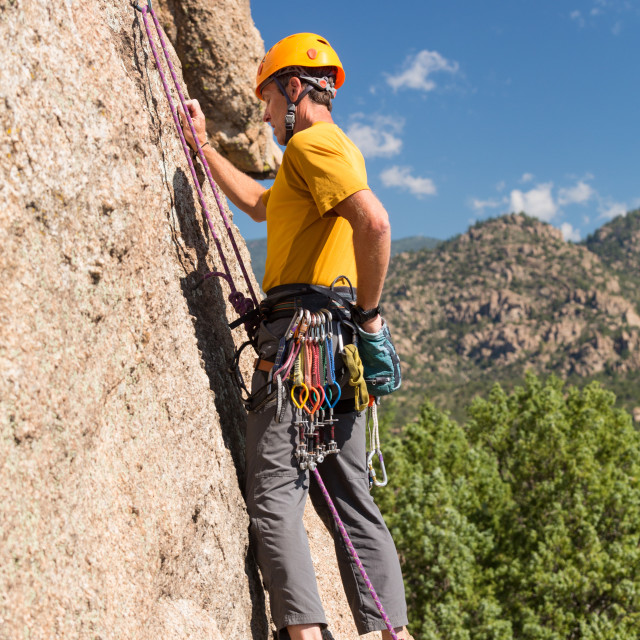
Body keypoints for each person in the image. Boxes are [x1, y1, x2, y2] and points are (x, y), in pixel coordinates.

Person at [180, 33, 411, 640]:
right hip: (334, 350)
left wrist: (370, 314)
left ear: (291, 88)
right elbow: (259, 203)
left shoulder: (315, 144)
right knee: (352, 501)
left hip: (303, 341)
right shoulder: (310, 161)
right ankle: (393, 633)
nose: (266, 118)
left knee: (276, 486)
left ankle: (305, 635)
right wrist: (201, 148)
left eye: (266, 104)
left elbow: (376, 222)